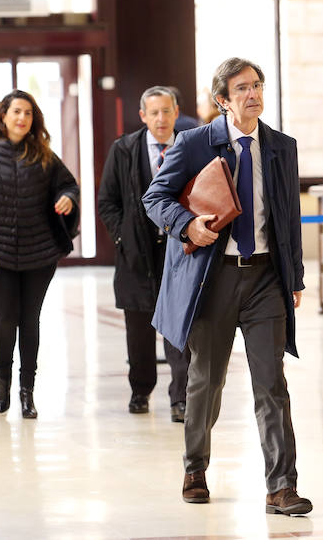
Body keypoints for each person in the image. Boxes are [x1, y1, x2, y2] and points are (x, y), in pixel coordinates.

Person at [143, 58, 311, 515]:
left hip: (265, 279)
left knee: (271, 384)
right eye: (242, 89)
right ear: (222, 100)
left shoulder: (280, 146)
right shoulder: (195, 143)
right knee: (206, 381)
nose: (253, 95)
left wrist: (293, 276)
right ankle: (195, 467)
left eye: (257, 86)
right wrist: (187, 226)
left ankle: (282, 486)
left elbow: (288, 217)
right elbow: (154, 197)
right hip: (212, 280)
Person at [0, 90, 80, 419]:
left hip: (40, 253)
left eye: (28, 113)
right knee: (5, 320)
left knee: (30, 321)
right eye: (16, 112)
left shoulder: (44, 156)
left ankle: (27, 393)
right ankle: (3, 384)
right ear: (3, 117)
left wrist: (67, 198)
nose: (22, 118)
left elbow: (69, 185)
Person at [98, 86, 191, 422]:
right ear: (143, 116)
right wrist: (123, 236)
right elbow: (107, 202)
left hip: (180, 254)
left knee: (180, 331)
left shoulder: (191, 146)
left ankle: (181, 397)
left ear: (176, 112)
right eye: (154, 113)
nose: (161, 119)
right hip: (135, 257)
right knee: (138, 331)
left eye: (167, 111)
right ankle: (141, 390)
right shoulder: (123, 150)